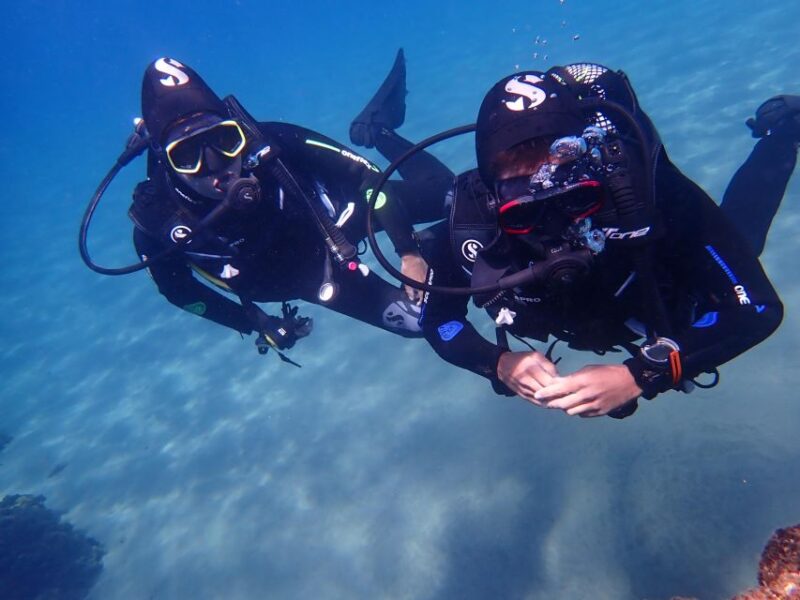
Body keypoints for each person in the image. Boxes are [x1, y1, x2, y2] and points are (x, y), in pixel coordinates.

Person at [355, 63, 793, 418]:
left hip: (663, 301)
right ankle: (379, 131)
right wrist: (499, 363)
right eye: (524, 208)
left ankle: (787, 127)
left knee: (742, 240)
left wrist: (643, 374)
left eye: (574, 197)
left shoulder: (639, 194)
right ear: (492, 194)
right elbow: (440, 322)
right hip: (596, 317)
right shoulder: (472, 222)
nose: (553, 223)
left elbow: (755, 307)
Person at [90, 54, 454, 363]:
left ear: (237, 131)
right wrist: (253, 321)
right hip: (309, 278)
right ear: (165, 162)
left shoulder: (275, 142)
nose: (215, 165)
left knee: (453, 196)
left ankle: (377, 131)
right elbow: (180, 292)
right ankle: (437, 246)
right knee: (421, 323)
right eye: (187, 155)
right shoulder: (156, 223)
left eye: (223, 140)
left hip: (337, 217)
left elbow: (368, 176)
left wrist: (408, 252)